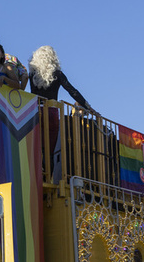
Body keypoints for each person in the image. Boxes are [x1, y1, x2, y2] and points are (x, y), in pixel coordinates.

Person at [29, 45, 95, 183]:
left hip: (35, 111)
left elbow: (32, 93)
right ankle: (48, 178)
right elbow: (72, 91)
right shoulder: (57, 73)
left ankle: (36, 176)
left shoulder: (33, 75)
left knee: (36, 146)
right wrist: (88, 106)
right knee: (50, 149)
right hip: (52, 111)